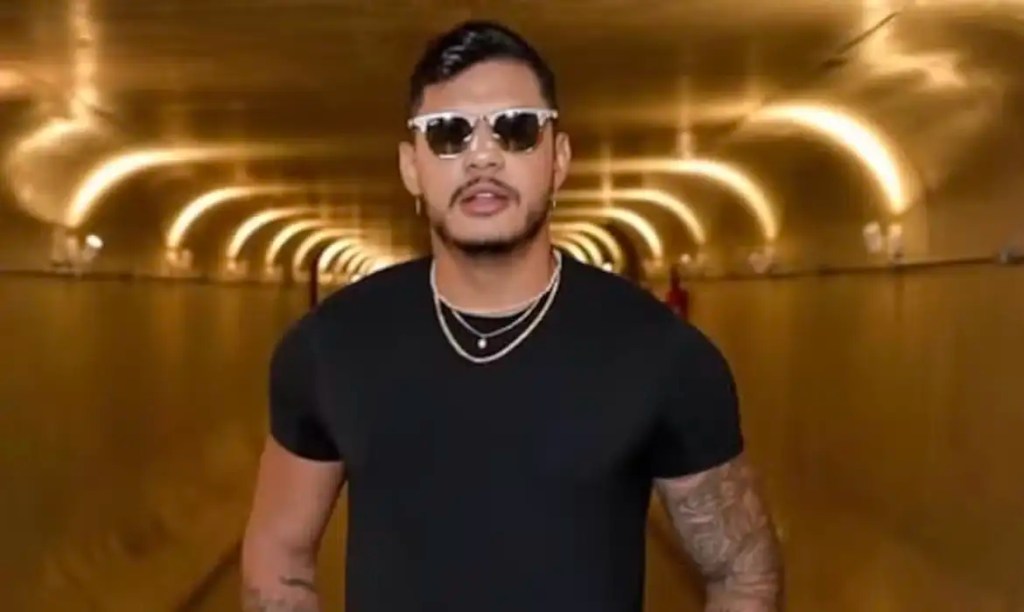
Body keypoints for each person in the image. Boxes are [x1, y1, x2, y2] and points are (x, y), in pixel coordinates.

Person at [241, 19, 783, 612]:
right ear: (411, 166)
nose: (483, 157)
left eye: (516, 129)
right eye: (448, 134)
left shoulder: (662, 355)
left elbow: (742, 573)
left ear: (559, 159)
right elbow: (278, 556)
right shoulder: (331, 346)